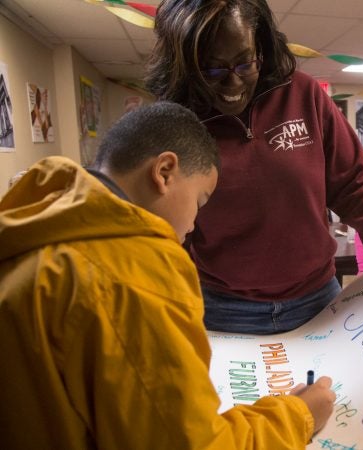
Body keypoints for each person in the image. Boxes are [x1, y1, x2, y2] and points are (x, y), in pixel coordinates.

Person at [0, 102, 335, 449]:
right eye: (200, 202)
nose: (192, 224)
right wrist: (300, 414)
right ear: (164, 172)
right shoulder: (134, 275)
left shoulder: (34, 232)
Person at [146, 0, 363, 333]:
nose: (233, 83)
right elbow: (165, 229)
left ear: (261, 48)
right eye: (212, 69)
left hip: (317, 299)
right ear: (186, 66)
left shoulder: (304, 93)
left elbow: (354, 182)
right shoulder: (176, 120)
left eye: (244, 63)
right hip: (224, 307)